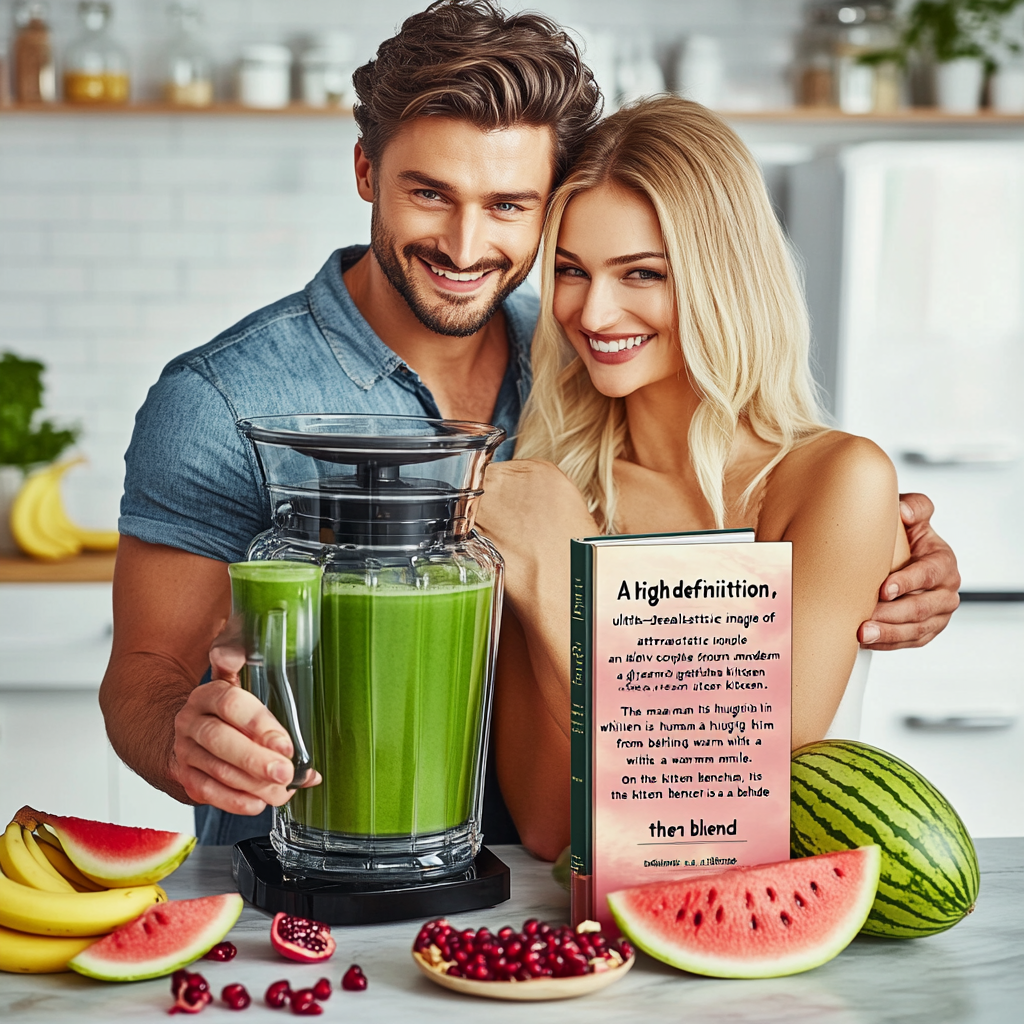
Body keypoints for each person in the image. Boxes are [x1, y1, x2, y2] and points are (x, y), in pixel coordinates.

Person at [99, 1, 959, 848]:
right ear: (367, 171)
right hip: (313, 861)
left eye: (509, 205)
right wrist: (186, 735)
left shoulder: (583, 374)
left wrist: (870, 554)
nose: (466, 245)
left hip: (545, 902)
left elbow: (719, 743)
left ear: (548, 205)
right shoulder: (222, 398)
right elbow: (143, 675)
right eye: (430, 193)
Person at [474, 96, 917, 860]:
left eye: (641, 273)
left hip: (776, 924)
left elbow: (733, 801)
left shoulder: (836, 482)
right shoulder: (548, 490)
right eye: (572, 272)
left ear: (724, 278)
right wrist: (550, 569)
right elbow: (552, 828)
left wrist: (564, 582)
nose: (595, 312)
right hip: (598, 945)